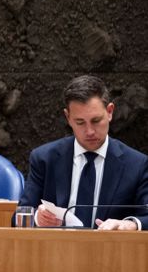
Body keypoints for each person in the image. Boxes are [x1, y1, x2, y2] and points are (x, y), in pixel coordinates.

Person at [19, 75, 148, 230]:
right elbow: (20, 216)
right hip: (56, 251)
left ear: (109, 112)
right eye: (80, 122)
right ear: (68, 117)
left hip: (110, 251)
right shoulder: (44, 159)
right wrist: (37, 219)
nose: (90, 131)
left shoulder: (137, 164)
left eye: (96, 121)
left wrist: (130, 224)